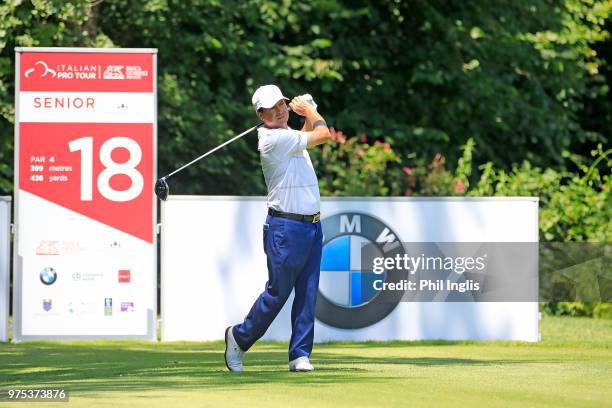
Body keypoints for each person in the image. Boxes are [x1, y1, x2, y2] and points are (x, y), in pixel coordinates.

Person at [224, 84, 332, 372]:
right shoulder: (272, 140)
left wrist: (307, 114)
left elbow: (310, 134)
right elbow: (323, 134)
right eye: (273, 108)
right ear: (261, 114)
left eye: (283, 104)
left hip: (311, 224)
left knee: (308, 292)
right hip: (285, 227)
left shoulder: (289, 136)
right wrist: (311, 110)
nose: (281, 110)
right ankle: (239, 337)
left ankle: (299, 354)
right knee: (278, 293)